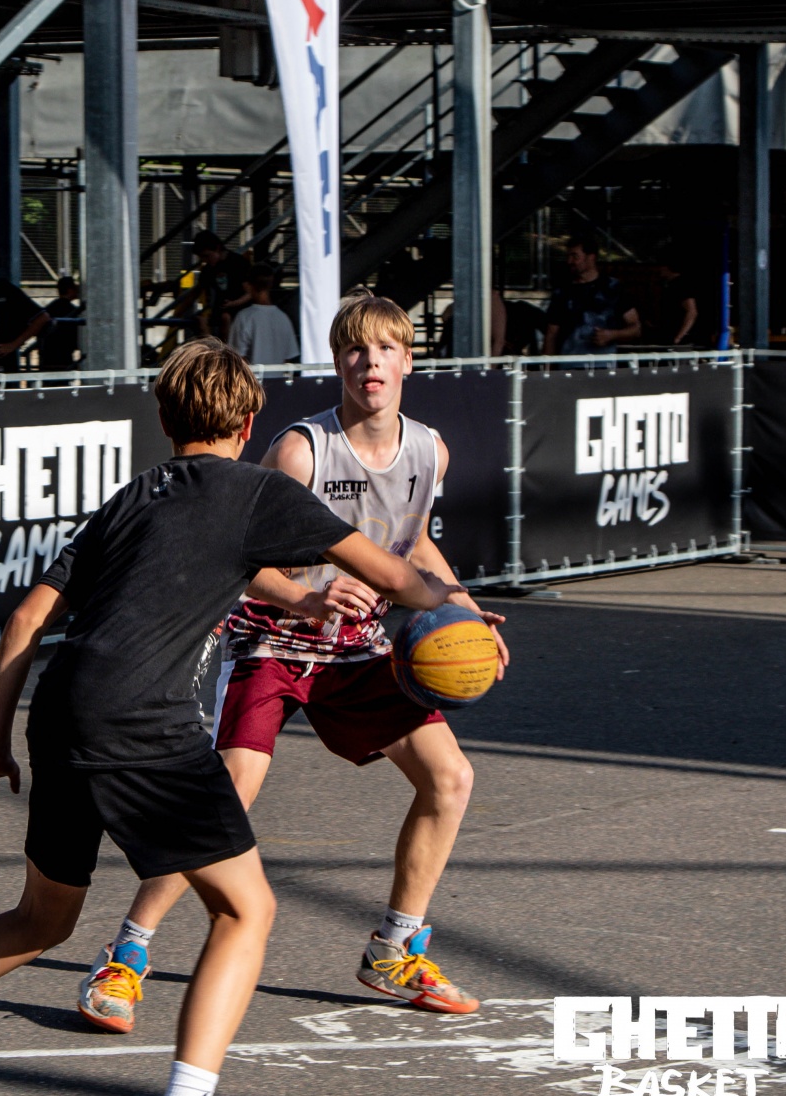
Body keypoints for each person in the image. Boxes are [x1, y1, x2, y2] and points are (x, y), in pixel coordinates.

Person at [0, 338, 460, 1096]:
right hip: (144, 722)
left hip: (61, 713)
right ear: (249, 423)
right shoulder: (258, 491)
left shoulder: (132, 498)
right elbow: (393, 574)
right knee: (245, 912)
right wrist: (457, 611)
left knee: (40, 921)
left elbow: (25, 620)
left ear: (166, 420)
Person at [79, 293, 508, 1039]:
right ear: (337, 362)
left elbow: (410, 544)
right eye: (355, 349)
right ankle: (125, 955)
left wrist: (463, 610)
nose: (370, 362)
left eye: (385, 349)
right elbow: (238, 556)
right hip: (271, 643)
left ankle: (395, 949)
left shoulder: (428, 451)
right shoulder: (302, 451)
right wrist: (305, 598)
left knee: (451, 778)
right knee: (230, 796)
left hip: (354, 648)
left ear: (409, 361)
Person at [543, 234, 640, 356]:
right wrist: (547, 365)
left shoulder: (613, 288)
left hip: (604, 364)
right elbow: (551, 334)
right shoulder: (562, 292)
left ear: (591, 258)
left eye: (575, 256)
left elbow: (635, 329)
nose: (569, 261)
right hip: (568, 364)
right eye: (568, 256)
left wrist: (612, 335)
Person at [226, 264, 298, 365]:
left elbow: (236, 358)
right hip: (278, 375)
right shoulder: (283, 318)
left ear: (248, 286)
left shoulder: (244, 317)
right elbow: (287, 358)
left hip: (251, 375)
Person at [189, 231, 254, 340]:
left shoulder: (238, 263)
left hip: (240, 310)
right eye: (202, 257)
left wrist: (234, 303)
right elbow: (197, 291)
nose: (205, 260)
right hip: (221, 310)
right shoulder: (208, 269)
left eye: (207, 256)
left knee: (225, 318)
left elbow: (250, 293)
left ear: (217, 248)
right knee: (204, 321)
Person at [37, 274, 83, 372]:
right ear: (70, 290)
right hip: (63, 355)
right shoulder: (71, 310)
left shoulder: (50, 308)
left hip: (48, 355)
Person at [655, 257, 700, 346]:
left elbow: (692, 312)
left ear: (666, 267)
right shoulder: (669, 285)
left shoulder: (681, 285)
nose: (659, 269)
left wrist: (679, 337)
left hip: (681, 341)